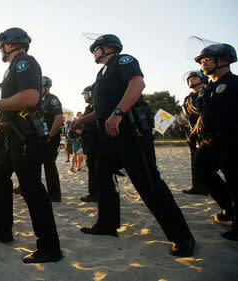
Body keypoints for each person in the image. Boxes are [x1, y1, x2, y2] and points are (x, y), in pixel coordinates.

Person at [72, 34, 195, 257]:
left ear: (108, 47)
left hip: (131, 132)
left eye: (95, 48)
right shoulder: (101, 74)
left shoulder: (123, 60)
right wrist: (81, 120)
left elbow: (138, 83)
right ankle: (107, 225)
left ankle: (182, 236)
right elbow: (101, 110)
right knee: (103, 177)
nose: (93, 52)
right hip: (109, 136)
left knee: (148, 182)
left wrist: (118, 113)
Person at [0, 27, 62, 263]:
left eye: (2, 44)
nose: (0, 49)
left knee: (32, 188)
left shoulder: (25, 62)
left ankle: (49, 247)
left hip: (27, 135)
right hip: (13, 136)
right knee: (0, 175)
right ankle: (3, 228)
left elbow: (30, 97)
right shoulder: (13, 67)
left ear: (11, 43)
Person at [192, 41, 238, 240]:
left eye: (208, 59)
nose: (203, 63)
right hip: (209, 142)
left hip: (232, 142)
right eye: (202, 60)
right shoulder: (209, 87)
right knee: (202, 173)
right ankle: (229, 208)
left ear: (225, 60)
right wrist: (196, 131)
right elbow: (204, 113)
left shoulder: (234, 83)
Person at [181, 71, 208, 195]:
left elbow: (203, 113)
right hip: (194, 135)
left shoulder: (208, 92)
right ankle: (198, 187)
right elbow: (189, 115)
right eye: (189, 78)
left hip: (209, 133)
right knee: (195, 162)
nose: (191, 79)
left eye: (194, 77)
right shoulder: (188, 99)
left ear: (202, 79)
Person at [41, 76, 63, 202]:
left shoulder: (52, 100)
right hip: (42, 137)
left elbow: (58, 118)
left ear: (47, 87)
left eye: (42, 85)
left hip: (50, 137)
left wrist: (50, 135)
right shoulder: (39, 100)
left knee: (49, 165)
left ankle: (54, 196)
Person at [79, 85, 100, 202]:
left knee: (98, 169)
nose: (84, 97)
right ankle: (93, 193)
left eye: (85, 94)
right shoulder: (88, 108)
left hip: (96, 143)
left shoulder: (98, 106)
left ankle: (96, 194)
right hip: (89, 144)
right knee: (92, 169)